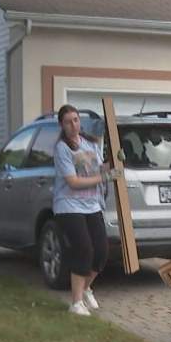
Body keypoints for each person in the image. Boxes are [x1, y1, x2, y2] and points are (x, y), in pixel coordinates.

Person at [53, 104, 111, 316]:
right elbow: (73, 182)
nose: (73, 125)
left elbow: (98, 169)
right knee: (84, 249)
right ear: (62, 125)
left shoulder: (89, 143)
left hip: (92, 205)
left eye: (76, 120)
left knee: (102, 252)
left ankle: (86, 288)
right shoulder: (62, 148)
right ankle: (75, 303)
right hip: (68, 206)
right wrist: (104, 177)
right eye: (68, 121)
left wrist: (112, 166)